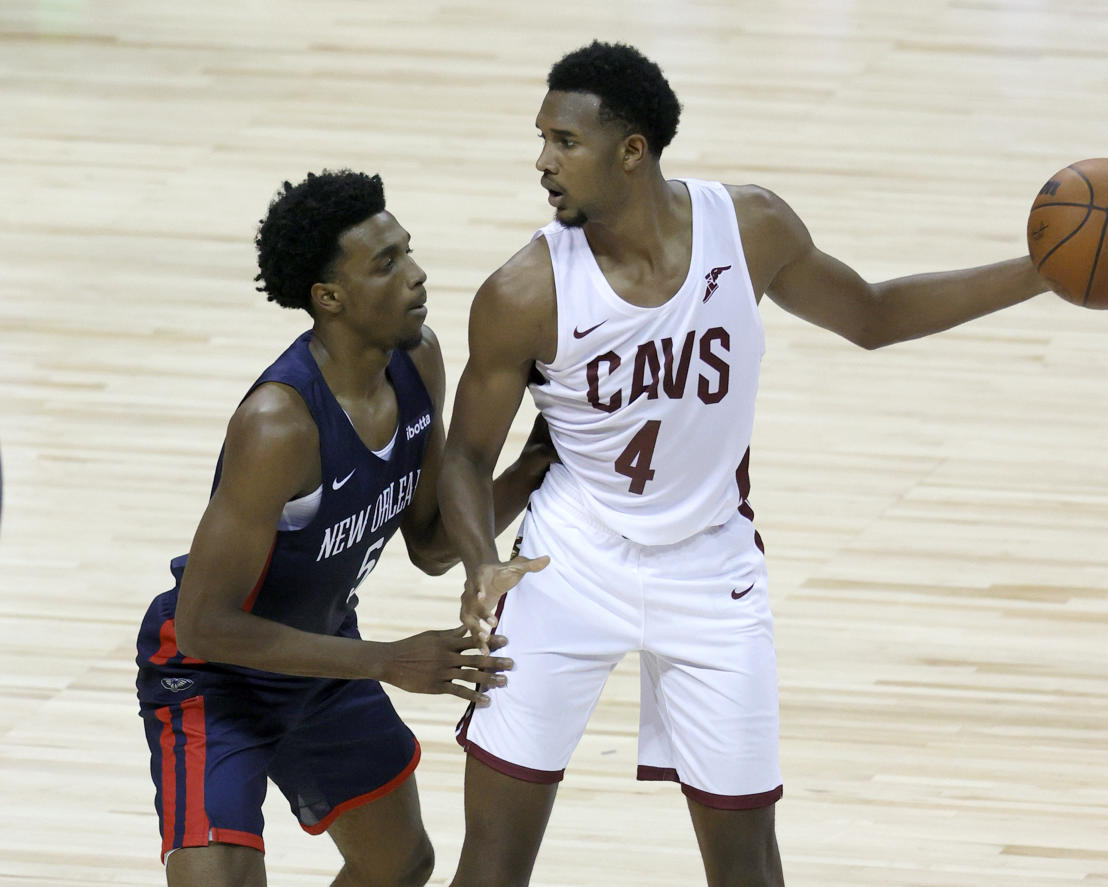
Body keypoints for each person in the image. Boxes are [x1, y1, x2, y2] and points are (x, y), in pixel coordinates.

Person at [437, 42, 1053, 887]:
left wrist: (1039, 273)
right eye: (541, 138)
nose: (542, 161)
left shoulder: (750, 227)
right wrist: (480, 561)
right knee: (494, 864)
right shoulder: (524, 292)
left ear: (633, 150)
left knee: (750, 869)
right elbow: (466, 457)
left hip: (710, 569)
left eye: (564, 142)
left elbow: (871, 315)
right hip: (565, 565)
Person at [134, 169, 551, 887]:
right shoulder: (278, 424)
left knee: (398, 862)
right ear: (329, 297)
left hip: (318, 660)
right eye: (387, 264)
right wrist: (390, 660)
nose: (418, 276)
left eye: (408, 251)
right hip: (212, 678)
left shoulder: (418, 360)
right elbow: (204, 625)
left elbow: (428, 543)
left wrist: (533, 466)